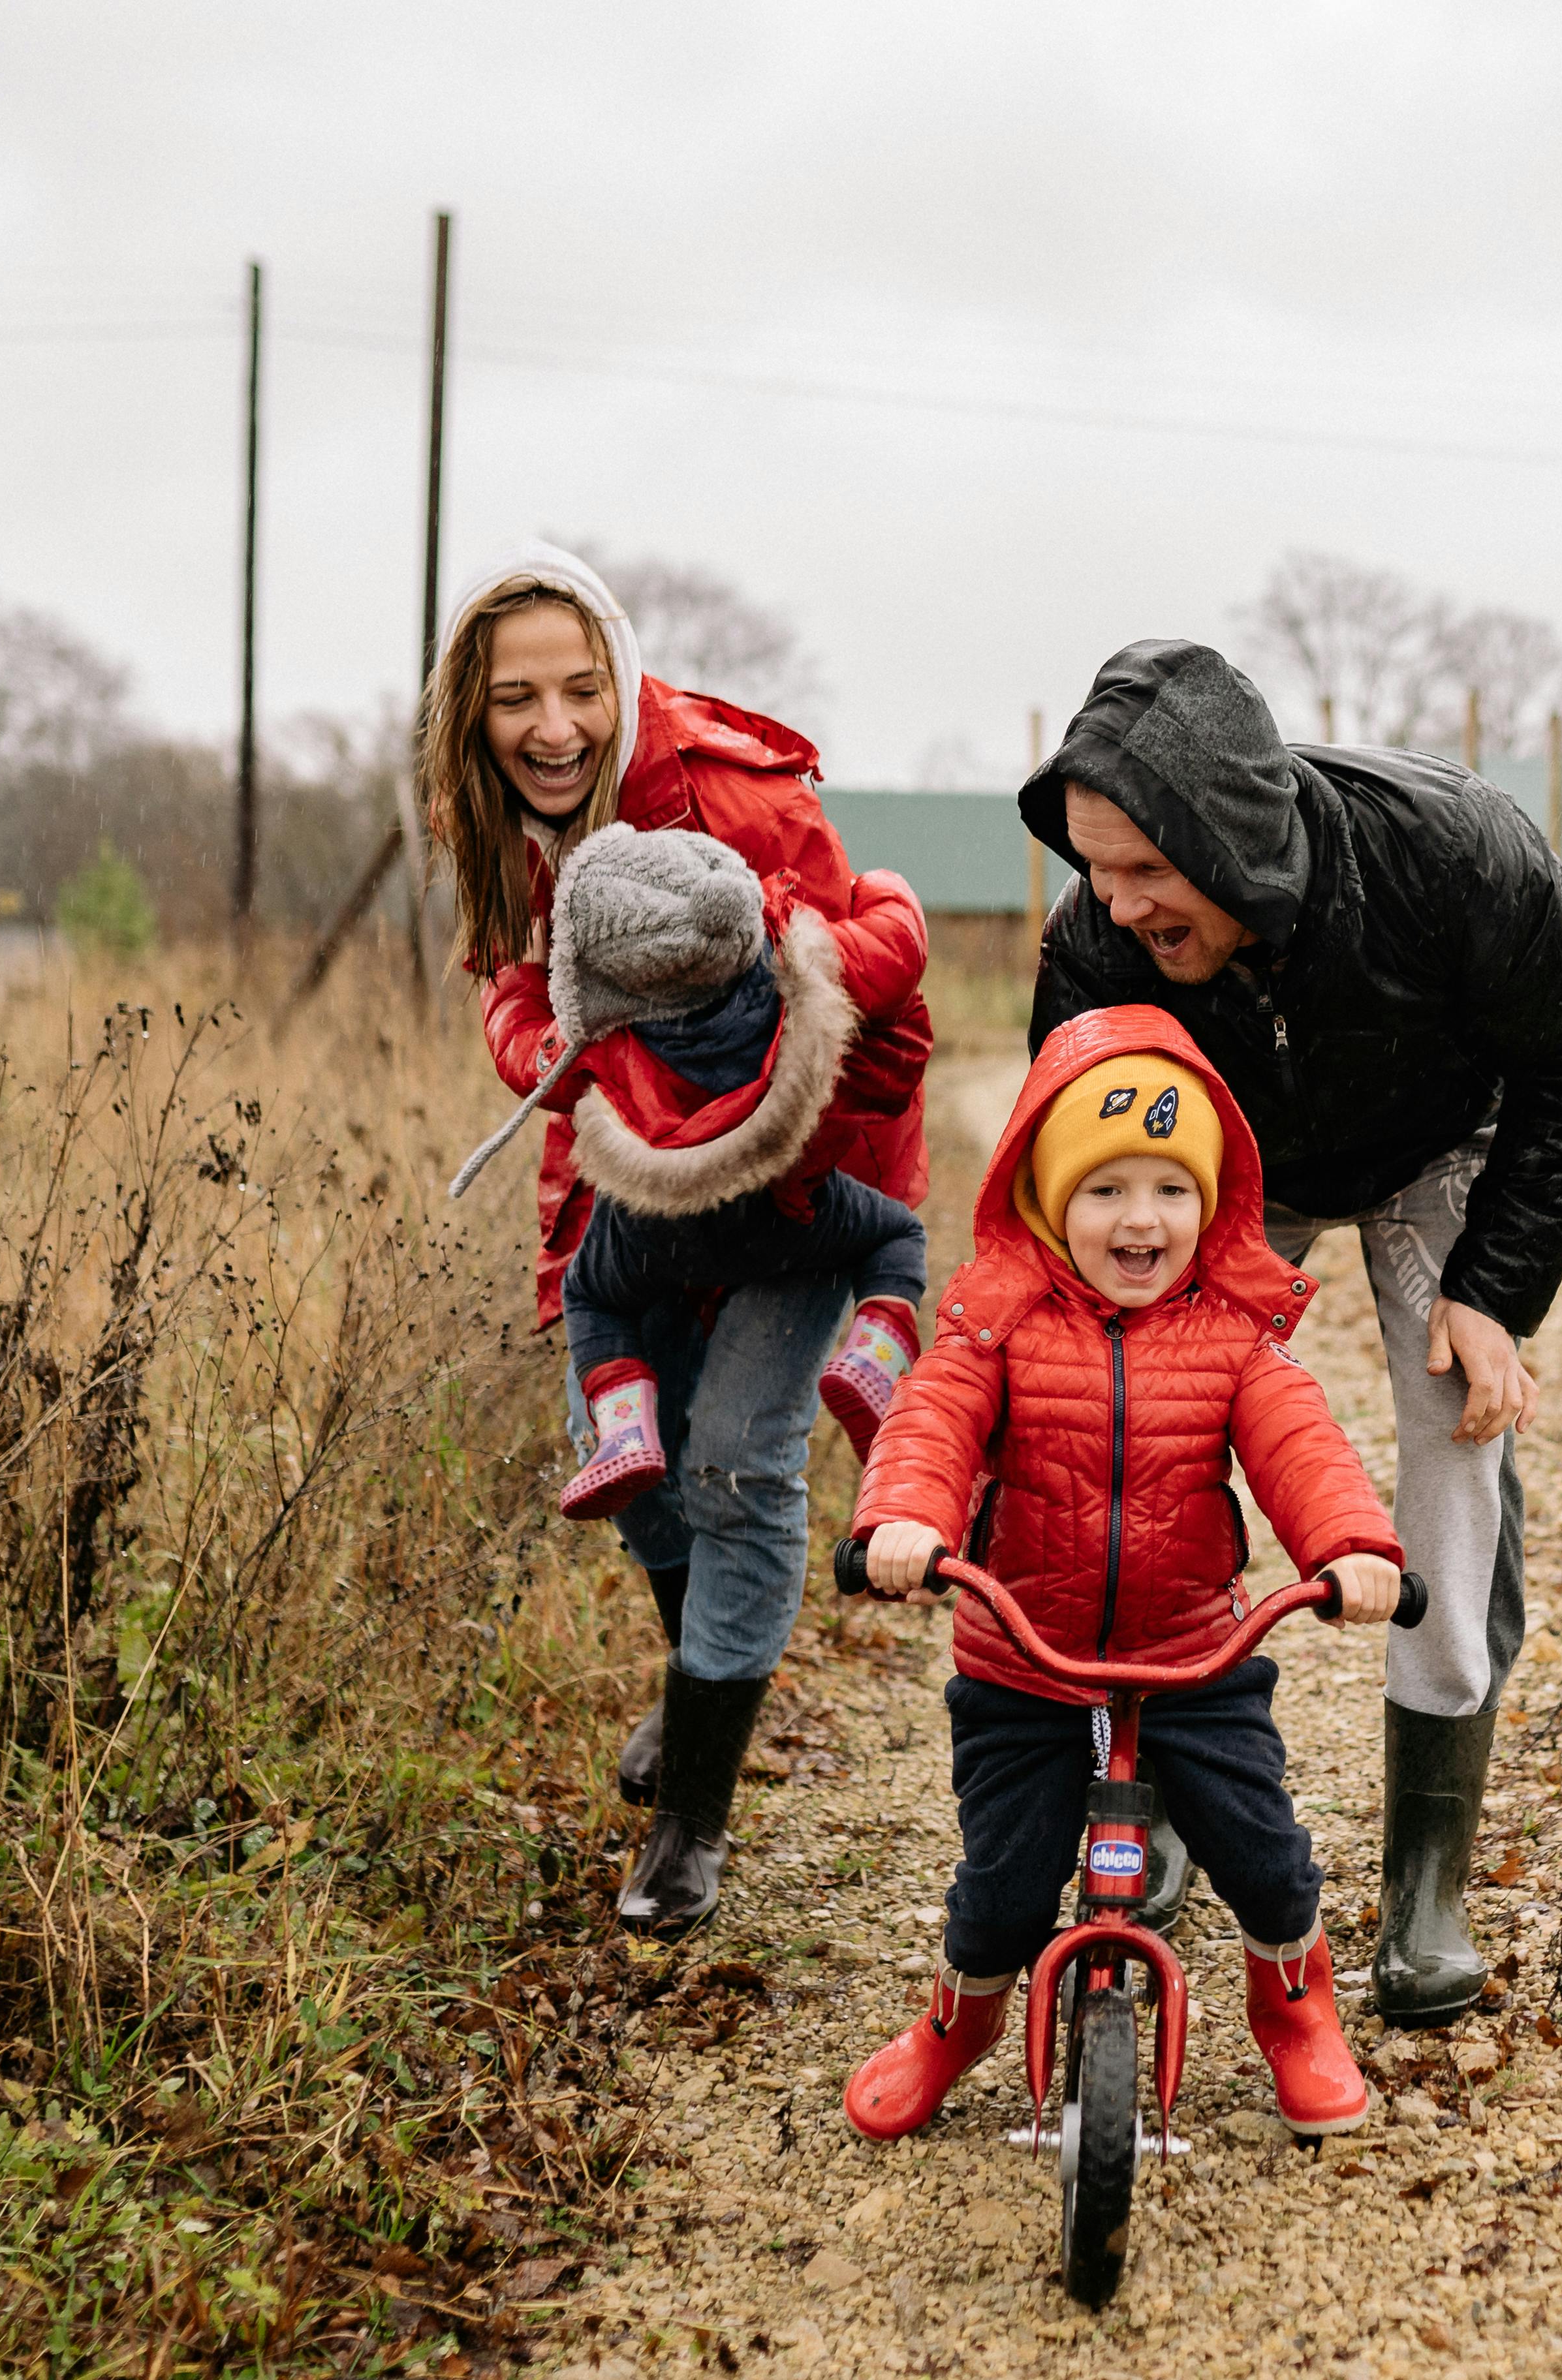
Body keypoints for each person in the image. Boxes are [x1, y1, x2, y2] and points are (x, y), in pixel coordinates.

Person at [1020, 640, 1562, 2028]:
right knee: (1146, 1417)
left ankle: (1427, 1886)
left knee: (1453, 1444)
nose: (1112, 904)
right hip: (1221, 1160)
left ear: (1225, 832)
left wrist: (1493, 1289)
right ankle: (1152, 1778)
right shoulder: (1093, 943)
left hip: (1441, 1139)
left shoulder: (1457, 856)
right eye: (1093, 868)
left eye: (1141, 870)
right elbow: (1065, 1150)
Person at [428, 540, 933, 1938]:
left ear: (623, 679)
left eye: (580, 688)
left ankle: (692, 1820)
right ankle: (694, 1680)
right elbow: (509, 987)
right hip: (625, 1181)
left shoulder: (722, 794)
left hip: (796, 1184)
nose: (552, 726)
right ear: (470, 713)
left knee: (731, 1457)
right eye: (514, 697)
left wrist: (772, 1168)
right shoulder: (494, 820)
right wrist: (554, 1055)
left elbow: (877, 1007)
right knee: (637, 1470)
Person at [836, 1006, 1404, 2141]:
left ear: (1213, 1203)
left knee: (1268, 1857)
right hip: (1024, 1664)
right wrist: (903, 1519)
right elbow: (934, 1424)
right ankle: (960, 2023)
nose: (1141, 1218)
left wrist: (1350, 1548)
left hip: (1196, 1657)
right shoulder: (995, 1330)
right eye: (1104, 1190)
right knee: (1000, 1886)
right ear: (1048, 1200)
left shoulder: (1236, 1340)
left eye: (1169, 1188)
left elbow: (1302, 1448)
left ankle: (1295, 2012)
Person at [443, 820, 928, 1521]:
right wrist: (877, 887)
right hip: (784, 1214)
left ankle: (626, 1427)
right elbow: (898, 946)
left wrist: (514, 970)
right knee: (897, 1233)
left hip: (651, 1229)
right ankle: (875, 1354)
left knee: (591, 1295)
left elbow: (521, 1045)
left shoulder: (599, 1037)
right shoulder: (790, 975)